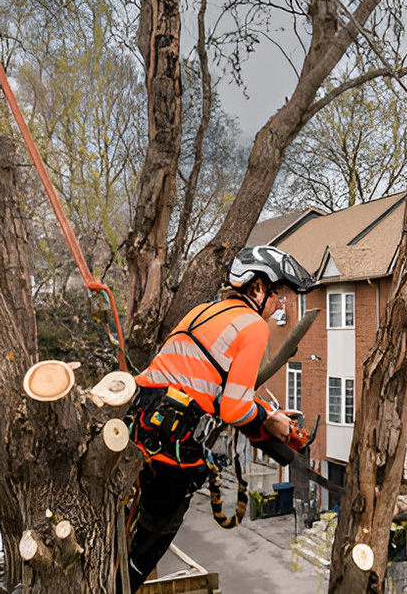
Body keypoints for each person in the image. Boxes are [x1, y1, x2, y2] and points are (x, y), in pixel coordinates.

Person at [122, 245, 315, 592]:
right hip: (171, 444)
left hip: (137, 420)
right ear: (257, 288)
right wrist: (269, 422)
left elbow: (211, 382)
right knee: (145, 548)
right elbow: (233, 408)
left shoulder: (203, 312)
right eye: (277, 296)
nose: (278, 306)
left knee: (120, 529)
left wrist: (267, 412)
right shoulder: (253, 327)